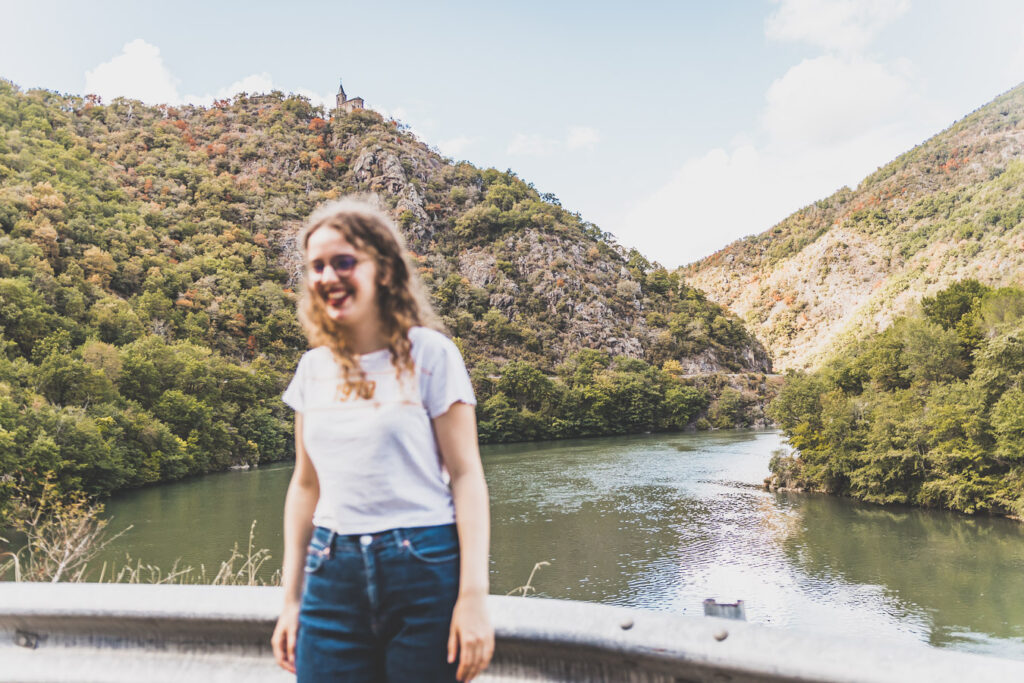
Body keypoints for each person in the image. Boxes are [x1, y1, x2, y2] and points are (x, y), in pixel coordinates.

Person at [271, 198, 494, 682]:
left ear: (385, 270)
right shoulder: (313, 369)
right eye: (317, 266)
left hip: (424, 565)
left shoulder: (431, 354)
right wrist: (290, 601)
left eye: (344, 262)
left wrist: (473, 598)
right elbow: (305, 485)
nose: (328, 276)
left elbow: (466, 476)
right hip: (331, 573)